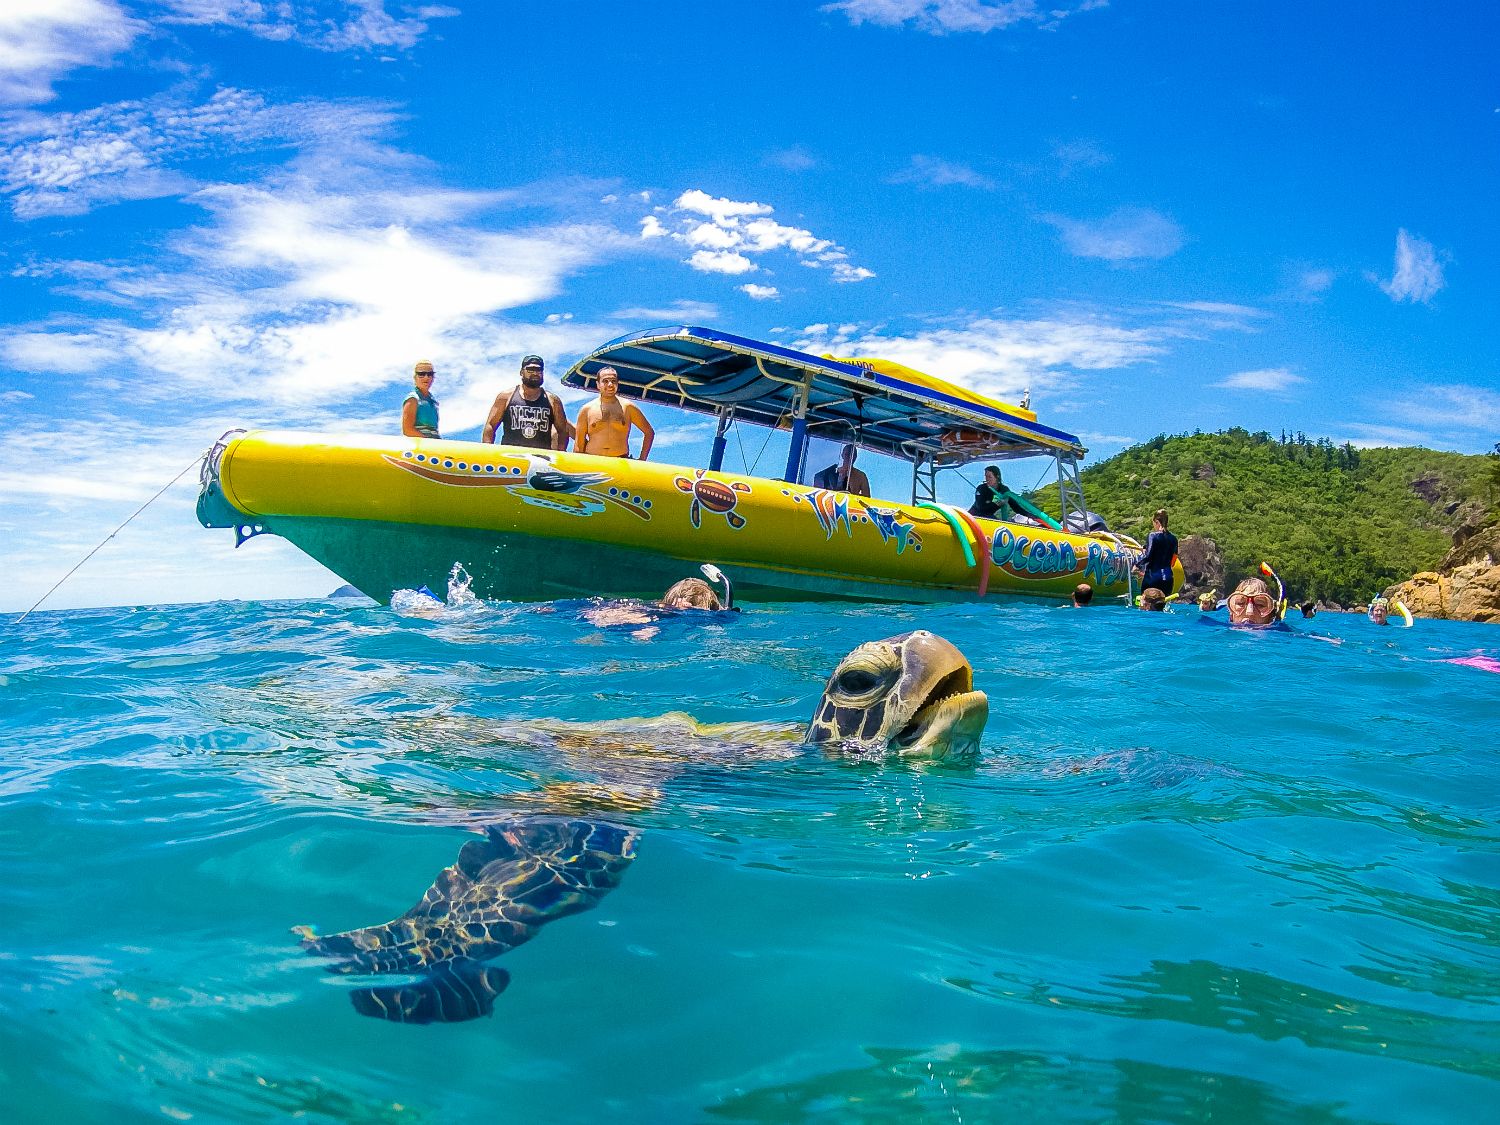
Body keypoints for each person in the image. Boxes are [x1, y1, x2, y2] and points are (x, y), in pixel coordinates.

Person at [483, 354, 571, 450]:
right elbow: (490, 425)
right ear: (521, 372)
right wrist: (488, 451)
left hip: (541, 459)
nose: (535, 373)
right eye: (530, 369)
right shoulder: (505, 397)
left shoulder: (553, 401)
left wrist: (560, 454)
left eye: (539, 370)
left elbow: (563, 431)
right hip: (511, 456)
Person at [574, 366, 654, 459]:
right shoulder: (586, 409)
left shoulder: (628, 407)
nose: (610, 385)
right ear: (598, 384)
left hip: (620, 461)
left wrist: (642, 459)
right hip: (592, 460)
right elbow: (578, 445)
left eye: (613, 381)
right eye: (605, 381)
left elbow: (649, 432)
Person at [1133, 509, 1178, 596]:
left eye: (1153, 523)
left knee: (1145, 605)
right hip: (1168, 579)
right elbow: (1173, 561)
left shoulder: (1152, 536)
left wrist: (1137, 566)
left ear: (1157, 521)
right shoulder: (1174, 539)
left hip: (1152, 578)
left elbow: (1148, 556)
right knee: (1162, 606)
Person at [401, 360, 440, 439]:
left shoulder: (433, 401)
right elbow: (407, 430)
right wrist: (429, 442)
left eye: (430, 374)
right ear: (415, 377)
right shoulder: (413, 398)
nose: (426, 377)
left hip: (435, 445)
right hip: (420, 447)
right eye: (421, 374)